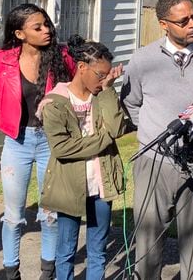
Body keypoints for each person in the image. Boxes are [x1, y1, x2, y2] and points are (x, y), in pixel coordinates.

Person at [120, 0, 193, 278]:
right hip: (154, 162)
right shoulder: (142, 60)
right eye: (184, 20)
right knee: (148, 240)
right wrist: (153, 131)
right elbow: (131, 103)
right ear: (163, 25)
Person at [0, 4, 75, 280]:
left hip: (51, 143)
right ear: (19, 33)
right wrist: (2, 112)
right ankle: (12, 272)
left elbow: (78, 87)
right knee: (13, 215)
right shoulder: (2, 60)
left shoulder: (61, 56)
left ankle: (48, 272)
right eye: (38, 27)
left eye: (47, 25)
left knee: (51, 213)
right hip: (17, 142)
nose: (47, 31)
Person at [38, 35, 125, 280]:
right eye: (100, 75)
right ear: (81, 67)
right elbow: (62, 148)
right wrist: (103, 139)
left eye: (107, 75)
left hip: (101, 183)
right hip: (69, 185)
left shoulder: (102, 95)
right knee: (66, 250)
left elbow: (117, 129)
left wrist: (108, 89)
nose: (104, 80)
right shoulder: (55, 103)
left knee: (98, 251)